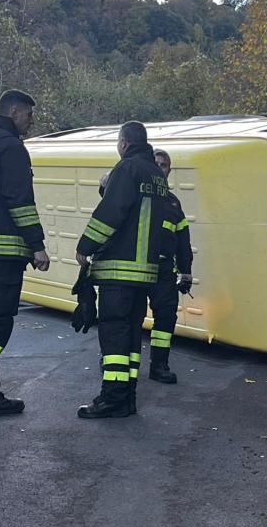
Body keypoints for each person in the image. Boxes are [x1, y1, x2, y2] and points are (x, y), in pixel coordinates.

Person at [75, 121, 169, 418]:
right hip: (144, 274)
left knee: (114, 334)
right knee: (130, 336)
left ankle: (112, 398)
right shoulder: (157, 175)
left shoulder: (126, 169)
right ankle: (127, 397)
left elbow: (110, 213)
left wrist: (85, 246)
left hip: (119, 270)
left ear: (124, 143)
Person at [0, 90, 50, 415]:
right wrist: (37, 245)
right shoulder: (11, 147)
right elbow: (19, 201)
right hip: (2, 252)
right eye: (29, 115)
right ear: (15, 111)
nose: (31, 121)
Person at [148, 148, 193, 383]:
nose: (159, 168)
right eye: (155, 163)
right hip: (137, 268)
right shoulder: (137, 194)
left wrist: (186, 272)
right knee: (127, 318)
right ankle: (115, 360)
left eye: (163, 165)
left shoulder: (173, 203)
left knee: (165, 319)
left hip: (164, 270)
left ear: (169, 170)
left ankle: (159, 365)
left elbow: (183, 240)